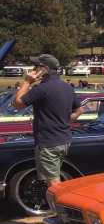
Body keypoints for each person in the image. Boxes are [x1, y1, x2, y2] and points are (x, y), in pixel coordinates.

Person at [13, 54, 83, 198]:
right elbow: (79, 110)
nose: (33, 69)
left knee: (54, 184)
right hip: (64, 140)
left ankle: (63, 216)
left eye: (36, 67)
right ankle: (60, 212)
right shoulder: (67, 87)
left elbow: (17, 104)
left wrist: (27, 82)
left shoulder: (42, 88)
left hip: (48, 142)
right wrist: (63, 121)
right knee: (55, 178)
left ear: (44, 69)